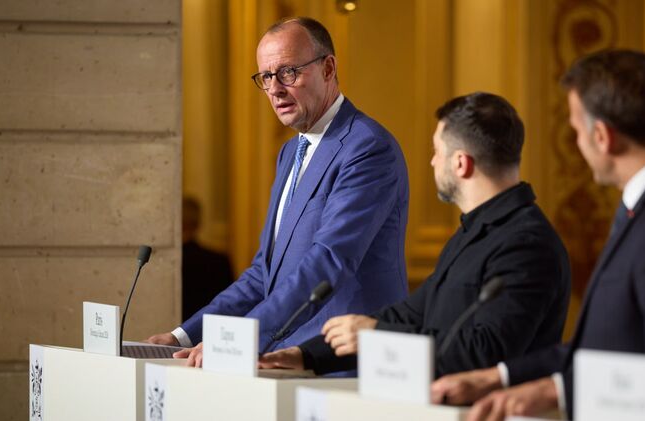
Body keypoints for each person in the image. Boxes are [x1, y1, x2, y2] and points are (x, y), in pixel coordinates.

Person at [430, 50, 645, 421]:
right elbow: (610, 347)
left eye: (576, 131)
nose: (577, 144)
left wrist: (554, 392)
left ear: (602, 136)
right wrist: (499, 377)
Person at [147, 17, 410, 365]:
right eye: (266, 77)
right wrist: (184, 335)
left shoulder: (367, 147)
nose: (274, 89)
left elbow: (328, 261)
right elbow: (264, 273)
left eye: (288, 72)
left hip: (344, 360)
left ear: (328, 68)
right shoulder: (290, 152)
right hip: (288, 357)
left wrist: (238, 338)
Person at [258, 92, 571, 377]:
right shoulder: (474, 232)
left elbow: (485, 349)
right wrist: (308, 356)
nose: (432, 161)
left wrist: (376, 337)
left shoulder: (526, 243)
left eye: (437, 151)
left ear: (461, 163)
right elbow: (412, 314)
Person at [181, 197, 235, 321]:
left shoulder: (169, 264)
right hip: (211, 327)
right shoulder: (219, 261)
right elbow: (230, 305)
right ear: (198, 223)